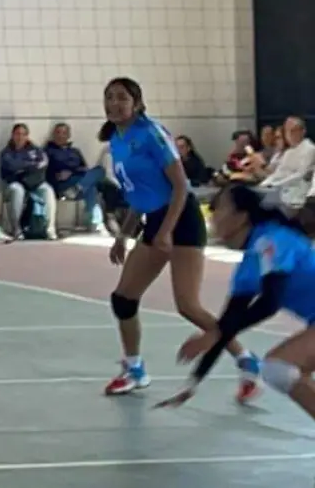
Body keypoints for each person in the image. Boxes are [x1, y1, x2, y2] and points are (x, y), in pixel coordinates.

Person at [100, 76, 261, 400]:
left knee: (187, 305)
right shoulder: (116, 140)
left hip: (182, 218)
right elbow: (138, 194)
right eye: (109, 97)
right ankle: (135, 369)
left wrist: (165, 231)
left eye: (122, 98)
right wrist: (124, 236)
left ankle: (246, 360)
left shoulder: (152, 134)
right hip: (156, 220)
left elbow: (179, 186)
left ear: (137, 103)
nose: (114, 103)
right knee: (123, 298)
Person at [159, 185, 315, 417]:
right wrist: (192, 383)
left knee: (278, 368)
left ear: (241, 217)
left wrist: (212, 335)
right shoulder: (248, 266)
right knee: (280, 369)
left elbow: (270, 301)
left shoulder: (270, 240)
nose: (213, 216)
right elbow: (227, 325)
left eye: (220, 209)